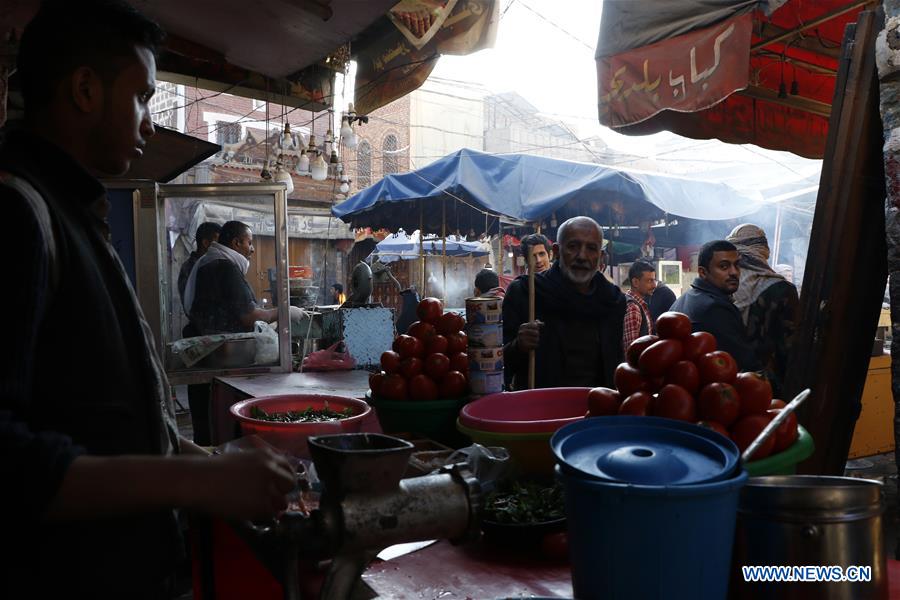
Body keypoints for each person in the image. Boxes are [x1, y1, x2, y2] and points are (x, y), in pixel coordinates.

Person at [0, 3, 295, 597]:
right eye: (141, 97)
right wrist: (196, 484)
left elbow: (99, 426)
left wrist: (207, 464)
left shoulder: (76, 215)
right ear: (84, 89)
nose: (150, 124)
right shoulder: (17, 214)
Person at [503, 217, 625, 389]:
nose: (582, 256)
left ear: (601, 256)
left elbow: (616, 363)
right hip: (541, 409)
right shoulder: (525, 292)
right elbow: (495, 363)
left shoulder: (612, 300)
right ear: (557, 251)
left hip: (597, 409)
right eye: (573, 246)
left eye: (591, 248)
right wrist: (518, 345)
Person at [726, 224, 800, 395]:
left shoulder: (722, 283)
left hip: (727, 378)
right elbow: (789, 350)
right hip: (764, 386)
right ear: (764, 250)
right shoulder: (781, 289)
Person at [670, 240, 761, 372]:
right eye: (724, 266)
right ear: (703, 272)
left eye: (737, 265)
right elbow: (745, 363)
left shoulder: (686, 297)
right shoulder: (715, 308)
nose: (734, 272)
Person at [185, 220, 279, 334]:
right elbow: (249, 316)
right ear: (236, 243)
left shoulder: (212, 262)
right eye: (249, 243)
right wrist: (283, 312)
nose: (252, 249)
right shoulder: (224, 267)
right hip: (220, 344)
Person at [178, 221, 221, 314]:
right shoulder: (190, 268)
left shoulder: (213, 264)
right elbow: (191, 306)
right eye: (218, 243)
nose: (221, 248)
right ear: (205, 243)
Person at [623, 260, 657, 351]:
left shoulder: (639, 304)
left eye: (654, 280)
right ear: (635, 282)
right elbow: (631, 351)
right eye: (650, 281)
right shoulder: (633, 308)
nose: (654, 285)